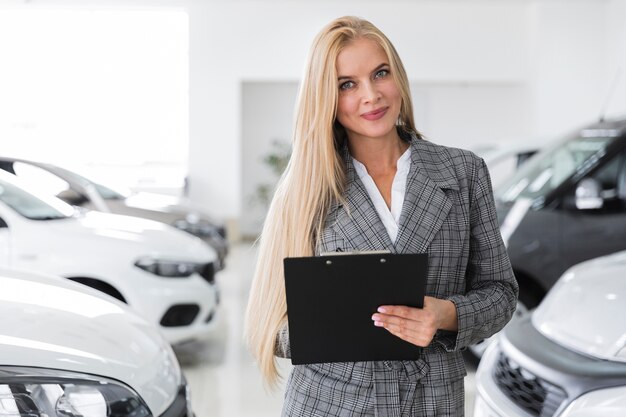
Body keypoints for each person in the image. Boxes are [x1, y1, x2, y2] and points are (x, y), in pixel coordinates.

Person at [244, 15, 518, 416]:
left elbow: (501, 294)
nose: (371, 95)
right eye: (347, 85)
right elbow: (271, 330)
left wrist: (445, 314)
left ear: (398, 78)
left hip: (433, 402)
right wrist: (341, 327)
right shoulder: (304, 190)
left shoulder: (464, 172)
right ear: (327, 98)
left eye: (380, 73)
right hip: (334, 405)